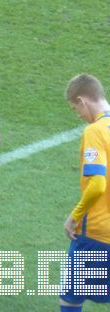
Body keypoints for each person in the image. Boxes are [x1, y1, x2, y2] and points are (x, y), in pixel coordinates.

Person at [60, 73, 110, 310]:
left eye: (74, 109)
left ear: (82, 101)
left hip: (98, 234)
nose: (79, 115)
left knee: (70, 298)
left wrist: (75, 216)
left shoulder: (95, 131)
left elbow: (98, 184)